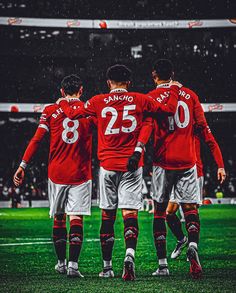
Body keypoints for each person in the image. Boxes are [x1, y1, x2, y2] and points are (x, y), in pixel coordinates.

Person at [57, 64, 181, 280]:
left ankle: (107, 268)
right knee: (129, 214)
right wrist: (173, 88)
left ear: (108, 83)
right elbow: (168, 110)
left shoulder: (97, 101)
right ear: (129, 83)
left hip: (107, 166)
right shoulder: (141, 99)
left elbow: (72, 114)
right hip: (131, 165)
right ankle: (130, 254)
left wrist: (67, 99)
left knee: (107, 216)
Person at [13, 74, 96, 278]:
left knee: (59, 218)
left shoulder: (50, 110)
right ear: (81, 90)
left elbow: (37, 139)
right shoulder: (89, 111)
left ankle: (60, 263)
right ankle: (73, 266)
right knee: (76, 218)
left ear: (61, 91)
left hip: (57, 172)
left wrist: (22, 164)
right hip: (81, 173)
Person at [148, 58, 223, 279]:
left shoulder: (151, 97)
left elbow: (146, 128)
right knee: (190, 209)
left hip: (163, 161)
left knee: (160, 212)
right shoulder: (191, 95)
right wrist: (219, 164)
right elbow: (205, 132)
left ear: (154, 76)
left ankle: (162, 266)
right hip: (188, 161)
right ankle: (191, 244)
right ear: (172, 74)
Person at [168, 132, 226, 260]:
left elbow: (211, 142)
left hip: (194, 172)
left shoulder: (195, 121)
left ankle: (192, 247)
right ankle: (182, 240)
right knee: (169, 212)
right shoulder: (173, 118)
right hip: (175, 171)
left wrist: (220, 166)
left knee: (192, 212)